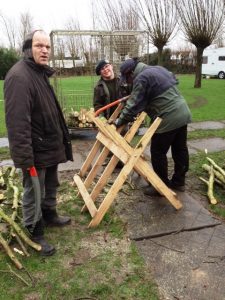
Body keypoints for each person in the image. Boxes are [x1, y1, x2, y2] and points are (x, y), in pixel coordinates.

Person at [4, 30, 73, 256]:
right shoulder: (19, 77)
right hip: (35, 149)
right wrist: (25, 158)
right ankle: (34, 232)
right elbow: (17, 122)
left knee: (50, 184)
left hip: (49, 145)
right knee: (34, 190)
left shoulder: (39, 73)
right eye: (39, 46)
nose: (44, 50)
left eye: (48, 47)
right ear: (28, 48)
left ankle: (50, 214)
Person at [113, 58, 192, 196]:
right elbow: (172, 81)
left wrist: (119, 121)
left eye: (128, 78)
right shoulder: (157, 69)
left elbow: (132, 106)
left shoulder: (141, 78)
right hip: (183, 111)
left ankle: (160, 186)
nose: (128, 81)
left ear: (131, 73)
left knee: (157, 152)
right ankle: (179, 182)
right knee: (180, 149)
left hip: (167, 116)